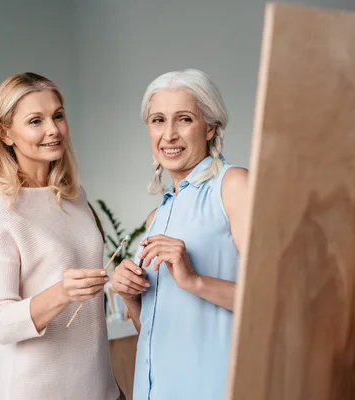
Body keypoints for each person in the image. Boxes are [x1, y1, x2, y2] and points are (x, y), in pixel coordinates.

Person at [0, 72, 119, 400]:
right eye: (35, 121)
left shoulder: (75, 197)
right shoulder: (0, 211)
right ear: (6, 133)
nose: (53, 129)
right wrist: (62, 292)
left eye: (58, 115)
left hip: (101, 389)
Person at [111, 68, 249, 399]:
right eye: (158, 120)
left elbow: (276, 300)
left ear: (211, 127)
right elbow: (153, 331)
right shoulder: (155, 218)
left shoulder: (233, 185)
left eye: (184, 119)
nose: (169, 134)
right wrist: (130, 296)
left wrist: (194, 280)